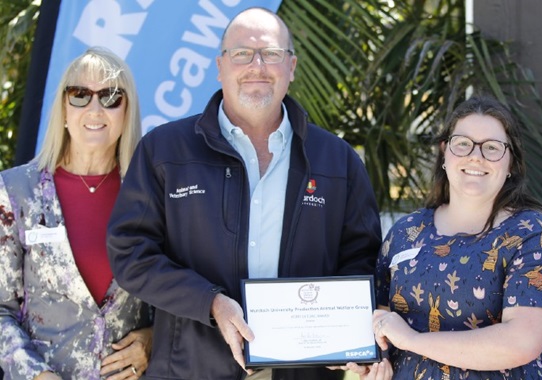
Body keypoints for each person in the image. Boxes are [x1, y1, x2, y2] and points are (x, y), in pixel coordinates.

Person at [106, 7, 381, 380]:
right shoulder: (165, 152)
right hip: (191, 369)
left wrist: (345, 334)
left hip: (304, 373)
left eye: (271, 54)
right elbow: (130, 252)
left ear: (292, 67)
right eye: (241, 54)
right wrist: (211, 302)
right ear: (220, 67)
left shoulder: (338, 161)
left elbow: (361, 260)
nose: (257, 66)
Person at [346, 95, 542, 379]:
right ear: (445, 152)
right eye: (463, 143)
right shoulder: (406, 232)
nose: (475, 156)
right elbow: (381, 326)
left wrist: (412, 341)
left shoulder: (532, 233)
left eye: (492, 147)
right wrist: (370, 361)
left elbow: (521, 342)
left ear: (512, 163)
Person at [0, 47, 152, 380]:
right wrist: (37, 375)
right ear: (64, 110)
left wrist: (151, 340)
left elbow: (175, 296)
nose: (95, 109)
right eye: (80, 95)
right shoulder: (15, 192)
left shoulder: (151, 194)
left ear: (127, 110)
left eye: (111, 96)